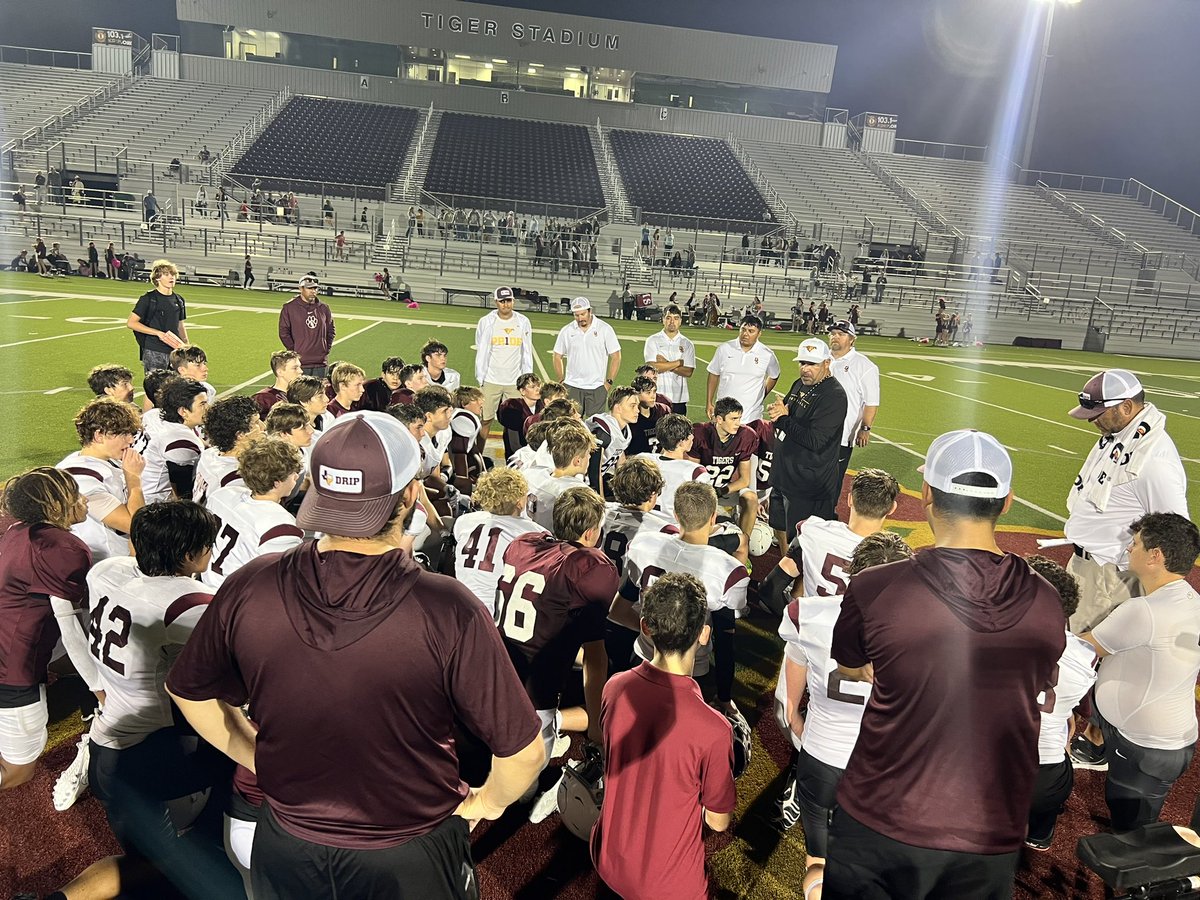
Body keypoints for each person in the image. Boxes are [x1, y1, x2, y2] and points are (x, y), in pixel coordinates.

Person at [167, 411, 546, 900]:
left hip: (285, 840)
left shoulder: (251, 582)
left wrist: (256, 756)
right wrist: (483, 804)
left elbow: (187, 689)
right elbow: (523, 753)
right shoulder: (448, 607)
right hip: (408, 852)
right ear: (409, 495)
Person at [823, 430, 1066, 900]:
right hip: (989, 826)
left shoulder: (876, 586)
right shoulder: (1047, 600)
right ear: (1008, 501)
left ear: (928, 495)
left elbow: (851, 665)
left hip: (880, 812)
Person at [82, 501, 248, 898]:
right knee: (162, 863)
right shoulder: (189, 604)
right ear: (189, 555)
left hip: (108, 736)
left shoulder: (104, 572)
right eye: (205, 546)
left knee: (147, 852)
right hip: (150, 753)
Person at [773, 532, 914, 899]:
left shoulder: (807, 613)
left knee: (817, 863)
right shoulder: (927, 634)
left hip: (822, 755)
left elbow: (790, 699)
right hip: (883, 767)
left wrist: (799, 724)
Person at [591, 572, 734, 899]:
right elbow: (719, 821)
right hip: (670, 885)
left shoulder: (615, 688)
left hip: (609, 859)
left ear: (645, 627)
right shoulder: (714, 730)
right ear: (704, 636)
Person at [497, 485, 618, 822]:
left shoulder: (524, 545)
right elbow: (595, 656)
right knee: (523, 783)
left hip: (498, 666)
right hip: (538, 687)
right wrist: (596, 724)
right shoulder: (588, 566)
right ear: (592, 531)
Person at [1078, 513, 1200, 833]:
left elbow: (1083, 649)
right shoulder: (1192, 601)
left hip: (1144, 746)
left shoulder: (1144, 611)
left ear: (1155, 556)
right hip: (1167, 737)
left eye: (1136, 544)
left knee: (1131, 836)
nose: (1129, 548)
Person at [610, 480, 750, 724]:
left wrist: (657, 634)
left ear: (675, 515)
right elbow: (724, 641)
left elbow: (618, 611)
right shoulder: (727, 570)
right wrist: (725, 695)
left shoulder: (645, 545)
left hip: (642, 656)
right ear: (713, 518)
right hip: (692, 672)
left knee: (632, 724)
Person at [1063, 369, 1187, 635]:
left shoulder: (1154, 461)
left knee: (1082, 655)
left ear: (1127, 406)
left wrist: (1161, 595)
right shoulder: (1124, 437)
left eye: (1098, 413)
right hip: (1089, 568)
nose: (1091, 421)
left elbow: (1176, 532)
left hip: (1110, 578)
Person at [0, 468, 96, 797]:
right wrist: (98, 687)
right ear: (55, 506)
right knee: (18, 770)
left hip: (9, 641)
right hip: (13, 669)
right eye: (75, 495)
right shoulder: (62, 549)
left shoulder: (16, 529)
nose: (83, 500)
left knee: (62, 663)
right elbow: (71, 625)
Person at [1022, 555, 1097, 853]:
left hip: (990, 770)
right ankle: (1039, 832)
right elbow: (1083, 712)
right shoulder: (1084, 654)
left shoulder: (988, 638)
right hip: (1046, 777)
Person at [760, 468, 899, 610]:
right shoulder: (894, 557)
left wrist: (795, 621)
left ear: (850, 499)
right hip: (852, 631)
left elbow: (769, 589)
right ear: (892, 508)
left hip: (810, 625)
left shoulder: (814, 530)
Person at [766, 339, 847, 547]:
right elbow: (786, 417)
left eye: (812, 364)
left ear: (827, 363)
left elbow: (815, 440)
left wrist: (783, 419)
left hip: (807, 484)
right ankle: (786, 569)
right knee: (780, 527)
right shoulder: (799, 383)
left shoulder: (834, 396)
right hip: (785, 474)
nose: (805, 369)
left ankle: (800, 578)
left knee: (803, 544)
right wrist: (778, 413)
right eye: (802, 363)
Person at [202, 438, 305, 589]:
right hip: (234, 597)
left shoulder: (222, 494)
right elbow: (279, 582)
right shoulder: (281, 525)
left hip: (205, 580)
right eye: (292, 473)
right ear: (277, 482)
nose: (296, 477)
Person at [57, 398, 146, 561]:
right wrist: (134, 479)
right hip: (102, 565)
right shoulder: (81, 477)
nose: (131, 440)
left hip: (117, 557)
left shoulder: (108, 460)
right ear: (99, 435)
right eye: (123, 434)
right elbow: (135, 525)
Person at [452, 467, 546, 615]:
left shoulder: (465, 521)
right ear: (519, 502)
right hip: (495, 611)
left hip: (459, 605)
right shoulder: (532, 531)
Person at [690, 397, 759, 544]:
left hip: (726, 489)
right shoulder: (700, 433)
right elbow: (691, 474)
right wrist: (708, 492)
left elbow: (744, 480)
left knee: (751, 499)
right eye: (733, 419)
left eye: (739, 418)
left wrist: (722, 491)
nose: (738, 423)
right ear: (719, 419)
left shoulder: (746, 436)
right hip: (702, 490)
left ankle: (743, 543)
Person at [827, 320, 880, 490]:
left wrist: (865, 428)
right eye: (833, 333)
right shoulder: (821, 359)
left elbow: (871, 402)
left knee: (832, 482)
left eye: (841, 334)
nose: (835, 337)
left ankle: (827, 514)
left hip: (842, 433)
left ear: (852, 339)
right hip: (814, 430)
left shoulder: (864, 366)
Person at [475, 286, 535, 437]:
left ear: (513, 301)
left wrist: (526, 377)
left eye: (508, 300)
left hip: (514, 381)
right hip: (490, 379)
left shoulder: (523, 321)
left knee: (514, 423)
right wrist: (481, 377)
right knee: (485, 420)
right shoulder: (486, 321)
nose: (505, 304)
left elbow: (526, 351)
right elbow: (481, 347)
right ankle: (479, 456)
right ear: (496, 302)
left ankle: (512, 456)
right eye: (502, 301)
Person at [140, 377, 208, 503]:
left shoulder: (157, 418)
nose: (207, 408)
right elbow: (183, 493)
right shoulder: (180, 441)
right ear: (183, 411)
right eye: (202, 404)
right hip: (157, 506)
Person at [553, 297, 622, 418]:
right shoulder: (567, 330)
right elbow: (557, 356)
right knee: (571, 427)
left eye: (583, 314)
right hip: (572, 386)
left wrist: (608, 382)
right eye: (576, 315)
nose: (580, 318)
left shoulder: (604, 329)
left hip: (596, 388)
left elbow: (616, 356)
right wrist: (561, 380)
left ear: (590, 311)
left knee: (595, 428)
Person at [705, 314, 780, 425]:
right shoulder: (724, 349)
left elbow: (774, 375)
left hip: (752, 417)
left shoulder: (767, 354)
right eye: (743, 329)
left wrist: (762, 394)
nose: (745, 334)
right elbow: (713, 374)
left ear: (759, 333)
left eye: (751, 331)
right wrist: (709, 402)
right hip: (724, 415)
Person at [636, 413, 709, 519]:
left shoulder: (642, 459)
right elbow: (700, 514)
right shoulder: (695, 472)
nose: (692, 436)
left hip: (642, 522)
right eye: (689, 434)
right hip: (674, 528)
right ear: (681, 443)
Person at [193, 395, 263, 506]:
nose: (263, 426)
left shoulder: (210, 454)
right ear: (240, 434)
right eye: (257, 423)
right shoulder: (238, 478)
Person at [530, 423, 594, 531]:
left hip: (530, 537)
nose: (590, 456)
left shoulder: (535, 474)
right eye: (588, 453)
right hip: (555, 544)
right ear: (577, 461)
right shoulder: (578, 492)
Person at [126, 259, 188, 371]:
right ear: (157, 278)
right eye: (166, 274)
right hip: (154, 350)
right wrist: (157, 333)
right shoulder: (148, 298)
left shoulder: (179, 300)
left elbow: (180, 325)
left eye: (173, 274)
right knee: (155, 386)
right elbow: (131, 323)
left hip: (175, 351)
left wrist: (186, 345)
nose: (171, 277)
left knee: (175, 386)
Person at [278, 273, 335, 378]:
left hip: (320, 363)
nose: (313, 291)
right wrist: (295, 351)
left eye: (315, 288)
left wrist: (325, 349)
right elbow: (284, 332)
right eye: (309, 288)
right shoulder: (289, 308)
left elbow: (330, 331)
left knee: (320, 393)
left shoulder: (324, 308)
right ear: (301, 288)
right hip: (300, 363)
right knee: (301, 393)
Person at [587, 386, 639, 497]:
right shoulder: (603, 433)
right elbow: (594, 472)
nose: (637, 410)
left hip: (599, 476)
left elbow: (620, 459)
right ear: (618, 408)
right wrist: (600, 501)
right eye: (632, 406)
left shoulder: (624, 430)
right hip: (583, 482)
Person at [644, 305, 696, 415]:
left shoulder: (687, 343)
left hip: (679, 399)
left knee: (678, 432)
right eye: (668, 318)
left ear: (681, 321)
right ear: (663, 319)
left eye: (676, 318)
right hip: (656, 397)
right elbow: (653, 367)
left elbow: (688, 372)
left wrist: (665, 363)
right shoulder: (652, 340)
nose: (672, 321)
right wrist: (679, 363)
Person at [496, 373, 543, 458]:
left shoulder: (543, 407)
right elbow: (514, 444)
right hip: (519, 456)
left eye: (539, 386)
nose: (538, 389)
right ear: (522, 391)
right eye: (532, 387)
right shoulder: (513, 408)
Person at [253, 350, 303, 419]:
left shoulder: (300, 394)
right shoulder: (264, 398)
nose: (301, 371)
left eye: (300, 367)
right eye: (295, 368)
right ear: (280, 372)